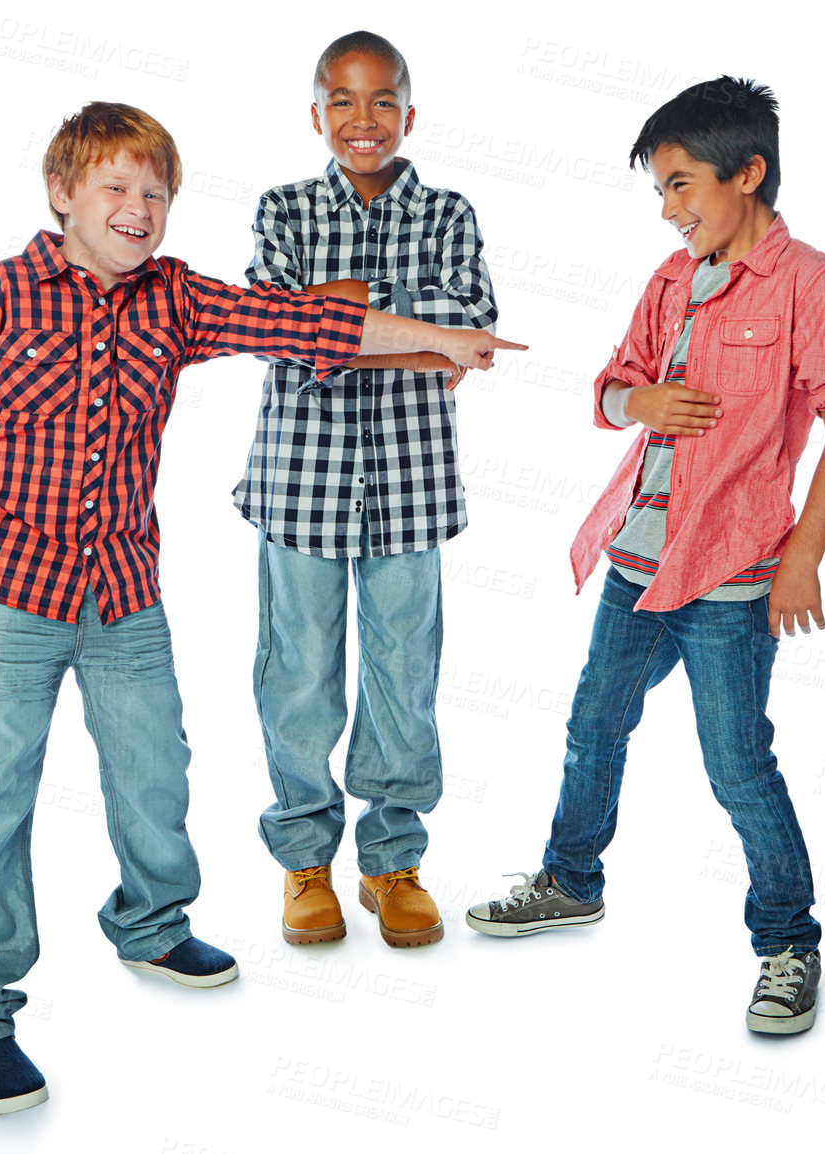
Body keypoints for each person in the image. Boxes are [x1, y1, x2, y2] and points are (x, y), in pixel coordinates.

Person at [0, 101, 523, 1114]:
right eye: (116, 187)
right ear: (61, 194)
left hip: (123, 588)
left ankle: (150, 922)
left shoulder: (173, 300)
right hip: (5, 591)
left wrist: (442, 338)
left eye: (156, 193)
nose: (138, 208)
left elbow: (304, 324)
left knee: (154, 765)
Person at [463, 77, 825, 1037]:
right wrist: (635, 403)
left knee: (738, 767)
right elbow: (613, 387)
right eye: (659, 190)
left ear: (750, 172)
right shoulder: (668, 280)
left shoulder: (813, 285)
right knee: (592, 725)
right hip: (638, 561)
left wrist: (805, 556)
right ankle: (571, 881)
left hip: (732, 574)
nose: (670, 209)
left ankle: (788, 945)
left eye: (682, 184)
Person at [237, 31, 499, 950]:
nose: (363, 118)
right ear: (317, 115)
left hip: (411, 491)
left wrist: (342, 308)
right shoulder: (284, 209)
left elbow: (473, 325)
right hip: (297, 489)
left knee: (403, 679)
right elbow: (272, 329)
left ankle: (392, 862)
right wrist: (411, 331)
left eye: (382, 100)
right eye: (342, 101)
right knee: (298, 678)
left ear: (409, 113)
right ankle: (305, 861)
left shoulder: (451, 214)